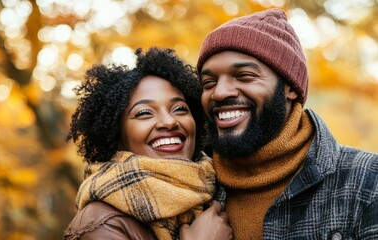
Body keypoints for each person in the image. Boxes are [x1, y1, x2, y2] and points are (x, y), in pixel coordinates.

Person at [195, 8, 378, 239]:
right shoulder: (189, 186)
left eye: (244, 76)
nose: (219, 93)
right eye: (209, 82)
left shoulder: (367, 181)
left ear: (290, 87)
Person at [64, 47, 232, 240]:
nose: (169, 121)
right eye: (144, 113)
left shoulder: (218, 192)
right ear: (116, 135)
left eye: (179, 109)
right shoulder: (101, 224)